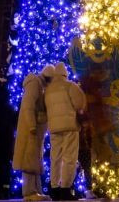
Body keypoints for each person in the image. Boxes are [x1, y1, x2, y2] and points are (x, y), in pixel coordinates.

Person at [44, 61, 86, 201]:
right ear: (65, 73)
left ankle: (54, 188)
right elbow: (80, 103)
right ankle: (65, 189)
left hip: (54, 128)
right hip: (69, 126)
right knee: (69, 158)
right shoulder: (69, 86)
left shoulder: (48, 89)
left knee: (55, 158)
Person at [13, 65, 54, 201]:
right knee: (29, 159)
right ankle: (29, 192)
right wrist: (31, 125)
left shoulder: (39, 85)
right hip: (31, 129)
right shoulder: (35, 84)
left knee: (35, 159)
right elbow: (28, 106)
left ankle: (36, 190)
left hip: (36, 129)